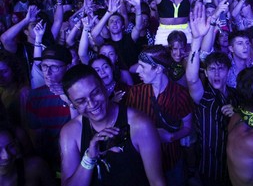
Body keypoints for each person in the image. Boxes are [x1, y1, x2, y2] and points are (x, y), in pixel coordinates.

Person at [60, 64, 165, 186]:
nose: (92, 104)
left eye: (95, 93)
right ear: (72, 105)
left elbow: (157, 182)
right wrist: (89, 158)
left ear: (104, 88)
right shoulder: (71, 131)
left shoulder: (140, 124)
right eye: (81, 101)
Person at [126, 45, 193, 186]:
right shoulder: (135, 93)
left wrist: (172, 137)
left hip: (172, 161)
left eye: (143, 66)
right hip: (143, 163)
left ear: (158, 69)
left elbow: (187, 126)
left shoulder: (180, 94)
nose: (138, 70)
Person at [186, 2, 236, 185]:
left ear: (228, 72)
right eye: (212, 70)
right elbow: (191, 79)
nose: (216, 74)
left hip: (233, 168)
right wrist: (196, 41)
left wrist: (238, 113)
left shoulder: (236, 97)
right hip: (207, 169)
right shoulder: (202, 96)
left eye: (221, 69)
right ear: (205, 73)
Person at [25, 44, 74, 177]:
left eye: (54, 67)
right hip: (49, 163)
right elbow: (37, 138)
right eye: (44, 66)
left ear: (68, 67)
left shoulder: (78, 93)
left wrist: (69, 101)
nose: (47, 72)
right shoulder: (35, 96)